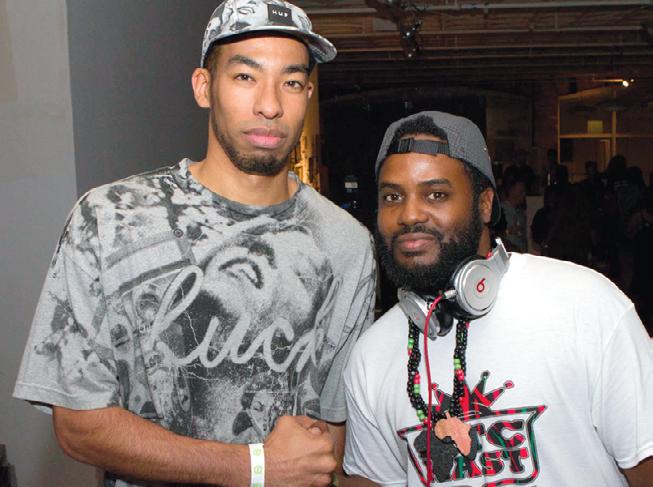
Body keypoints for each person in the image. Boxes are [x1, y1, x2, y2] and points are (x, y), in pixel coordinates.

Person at [13, 1, 377, 486]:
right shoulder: (111, 219)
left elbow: (329, 433)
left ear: (308, 94)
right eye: (245, 77)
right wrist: (254, 467)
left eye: (291, 82)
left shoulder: (347, 244)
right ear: (204, 87)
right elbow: (79, 424)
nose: (270, 105)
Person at [342, 111, 653, 486]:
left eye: (436, 194)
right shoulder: (371, 356)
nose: (409, 214)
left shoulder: (585, 306)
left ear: (485, 204)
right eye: (392, 196)